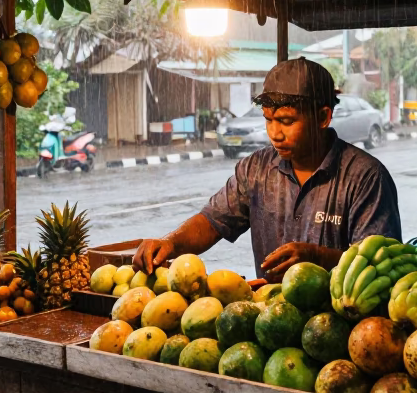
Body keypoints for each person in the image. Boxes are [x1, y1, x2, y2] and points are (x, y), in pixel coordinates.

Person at [134, 57, 402, 280]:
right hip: (271, 320)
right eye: (269, 120)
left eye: (286, 121)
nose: (275, 133)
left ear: (323, 117)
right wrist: (170, 243)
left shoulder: (365, 177)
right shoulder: (256, 169)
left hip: (339, 326)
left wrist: (317, 258)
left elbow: (382, 266)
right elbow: (213, 221)